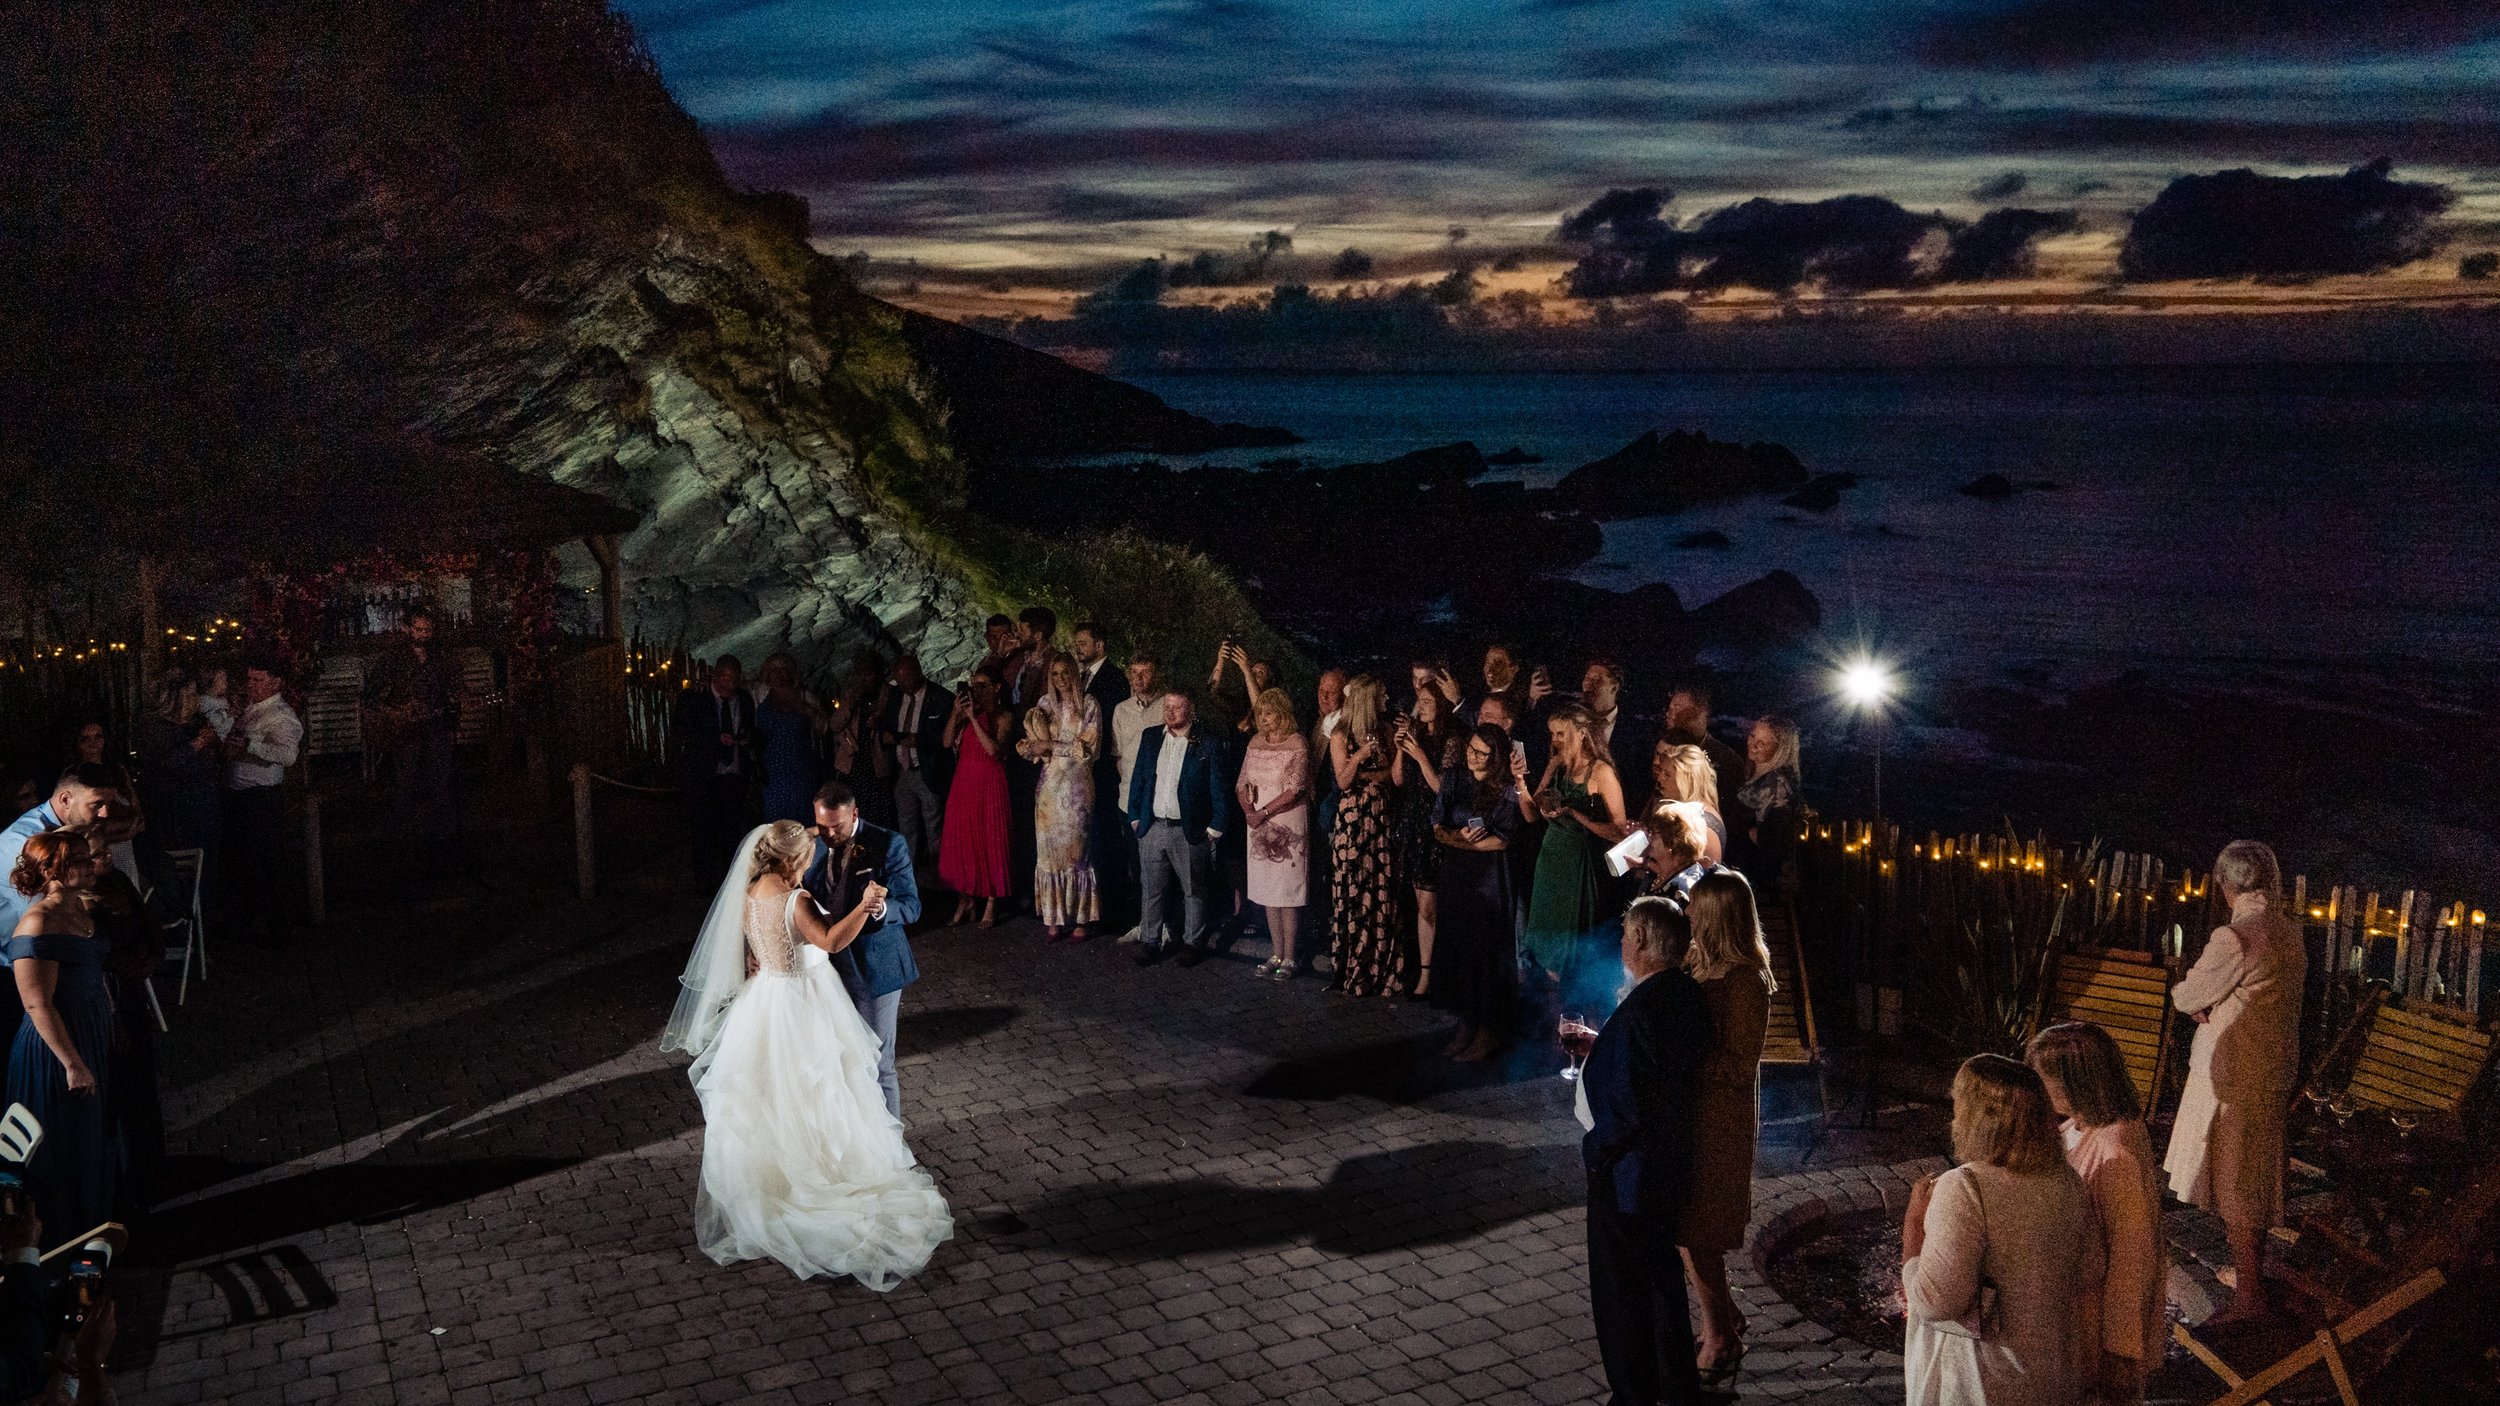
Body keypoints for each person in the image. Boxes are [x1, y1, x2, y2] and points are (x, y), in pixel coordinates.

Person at [659, 819, 953, 1286]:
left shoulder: (752, 889)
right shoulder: (795, 901)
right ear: (793, 859)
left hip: (765, 1001)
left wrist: (757, 955)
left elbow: (752, 939)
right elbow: (831, 941)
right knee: (823, 1093)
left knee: (778, 1098)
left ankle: (773, 1183)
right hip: (804, 1002)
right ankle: (817, 1185)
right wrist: (866, 904)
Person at [1577, 897, 1719, 1406]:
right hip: (1667, 1167)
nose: (1619, 945)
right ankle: (1674, 1385)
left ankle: (1634, 1392)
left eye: (1624, 936)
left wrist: (1596, 1150)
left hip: (1628, 1175)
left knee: (1622, 1290)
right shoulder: (1683, 995)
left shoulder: (1642, 1009)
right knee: (1660, 1280)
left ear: (1640, 940)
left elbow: (1633, 1105)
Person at [1903, 1053, 2098, 1406]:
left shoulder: (1965, 1187)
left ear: (1978, 1117)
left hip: (1983, 1382)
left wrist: (1914, 1226)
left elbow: (1936, 1301)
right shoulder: (2069, 1182)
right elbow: (2089, 1274)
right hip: (2050, 1376)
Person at [2164, 838, 2303, 1326]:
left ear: (2227, 882)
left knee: (2236, 1179)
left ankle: (2250, 1299)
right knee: (2253, 1172)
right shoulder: (2288, 932)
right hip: (2272, 1068)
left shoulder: (2237, 935)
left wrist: (2194, 995)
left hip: (2235, 1074)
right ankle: (2252, 1282)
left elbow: (2188, 995)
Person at [2028, 1022, 2166, 1406]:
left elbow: (2131, 1255)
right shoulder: (2080, 1126)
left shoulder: (2115, 1152)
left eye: (2042, 1080)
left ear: (2075, 1083)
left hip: (2099, 1326)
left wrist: (2119, 1350)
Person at [1678, 870, 1776, 1386]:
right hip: (1689, 1114)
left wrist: (1682, 1057)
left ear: (1717, 915)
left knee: (1701, 1230)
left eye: (1694, 907)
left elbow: (1740, 1066)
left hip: (1720, 1121)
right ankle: (1723, 1318)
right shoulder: (1698, 964)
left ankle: (1721, 1337)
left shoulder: (1745, 981)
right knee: (1688, 1230)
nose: (1687, 913)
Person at [6, 830, 114, 1251]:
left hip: (89, 1032)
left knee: (91, 1137)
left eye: (88, 858)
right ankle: (58, 1243)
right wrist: (72, 1062)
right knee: (65, 1143)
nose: (90, 866)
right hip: (55, 1049)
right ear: (51, 869)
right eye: (79, 861)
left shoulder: (80, 909)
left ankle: (91, 1230)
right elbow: (37, 1005)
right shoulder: (38, 922)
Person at [799, 782, 923, 1121]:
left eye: (835, 826)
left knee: (877, 1062)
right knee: (838, 1061)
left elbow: (912, 907)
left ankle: (891, 1147)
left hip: (876, 970)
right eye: (821, 825)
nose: (827, 834)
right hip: (828, 970)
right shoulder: (815, 844)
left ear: (854, 814)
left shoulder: (888, 844)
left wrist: (881, 909)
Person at [1519, 704, 1630, 1003]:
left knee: (1572, 944)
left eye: (1561, 733)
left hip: (1580, 864)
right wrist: (1519, 782)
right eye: (1552, 733)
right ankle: (1551, 1011)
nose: (1555, 739)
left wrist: (1574, 814)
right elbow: (1531, 815)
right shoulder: (1557, 765)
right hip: (1551, 859)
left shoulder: (1601, 772)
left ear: (1582, 734)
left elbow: (1620, 830)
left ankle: (1572, 1009)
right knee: (1547, 939)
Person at [1430, 724, 1523, 1061]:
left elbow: (1504, 838)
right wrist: (1460, 840)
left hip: (1489, 879)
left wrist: (1474, 843)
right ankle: (1465, 1024)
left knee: (1486, 950)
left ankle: (1489, 1031)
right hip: (1457, 873)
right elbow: (1438, 825)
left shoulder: (1507, 789)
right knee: (1460, 948)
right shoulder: (1455, 779)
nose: (1473, 755)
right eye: (1471, 748)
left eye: (1482, 752)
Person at [1128, 691, 1233, 968]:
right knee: (1151, 888)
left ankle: (1192, 942)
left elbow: (1218, 788)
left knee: (1193, 889)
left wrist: (1214, 829)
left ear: (1191, 709)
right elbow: (1139, 778)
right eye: (1167, 706)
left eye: (1177, 707)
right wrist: (1135, 818)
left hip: (1188, 829)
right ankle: (1150, 940)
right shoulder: (1151, 737)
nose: (1170, 712)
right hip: (1153, 825)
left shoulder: (1206, 743)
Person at [1327, 675, 1405, 998]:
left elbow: (1394, 777)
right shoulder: (1341, 734)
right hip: (1353, 823)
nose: (1387, 698)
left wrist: (1396, 750)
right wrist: (1359, 758)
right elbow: (1344, 780)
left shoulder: (1386, 731)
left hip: (1380, 820)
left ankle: (1382, 969)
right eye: (1382, 694)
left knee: (1381, 893)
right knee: (1354, 894)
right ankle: (1353, 969)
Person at [361, 604, 462, 850]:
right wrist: (394, 712)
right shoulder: (392, 658)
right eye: (419, 629)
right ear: (407, 629)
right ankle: (402, 837)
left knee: (439, 781)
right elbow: (370, 696)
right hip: (406, 730)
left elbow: (455, 691)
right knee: (405, 781)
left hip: (437, 726)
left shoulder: (442, 657)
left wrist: (455, 710)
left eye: (428, 629)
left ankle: (443, 839)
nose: (424, 634)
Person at [221, 658, 304, 946]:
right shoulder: (250, 709)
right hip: (240, 796)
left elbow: (288, 755)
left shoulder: (281, 715)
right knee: (244, 862)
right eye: (250, 679)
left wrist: (251, 746)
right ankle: (249, 923)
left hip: (260, 798)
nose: (251, 685)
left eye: (258, 680)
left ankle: (279, 928)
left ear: (275, 682)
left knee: (267, 863)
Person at [1019, 656, 1100, 942]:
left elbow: (1088, 747)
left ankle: (1080, 918)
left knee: (1077, 855)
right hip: (1049, 790)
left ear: (1075, 674)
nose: (1061, 678)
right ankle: (1054, 918)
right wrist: (1031, 748)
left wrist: (1051, 744)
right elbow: (1034, 743)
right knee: (1049, 855)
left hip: (1077, 789)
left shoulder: (1089, 704)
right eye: (1055, 673)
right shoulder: (1043, 704)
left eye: (1066, 672)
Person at [1389, 682, 1457, 999]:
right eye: (1420, 700)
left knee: (1431, 905)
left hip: (1435, 825)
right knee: (1418, 904)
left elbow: (1441, 787)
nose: (1423, 705)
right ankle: (1425, 972)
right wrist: (1402, 751)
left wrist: (1418, 755)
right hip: (1413, 824)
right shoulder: (1417, 735)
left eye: (1429, 700)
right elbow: (1398, 779)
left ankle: (1437, 972)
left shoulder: (1450, 739)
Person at [1236, 689, 1309, 981]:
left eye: (1269, 713)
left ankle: (1291, 955)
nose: (1263, 719)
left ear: (1282, 713)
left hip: (1286, 821)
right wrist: (1248, 811)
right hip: (1258, 822)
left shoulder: (1297, 743)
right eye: (1260, 714)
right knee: (1268, 890)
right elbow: (1242, 782)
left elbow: (1296, 788)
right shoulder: (1254, 742)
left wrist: (1264, 812)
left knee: (1286, 892)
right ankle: (1276, 952)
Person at [0, 769, 120, 936]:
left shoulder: (79, 831)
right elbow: (38, 921)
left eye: (110, 803)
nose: (105, 813)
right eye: (97, 804)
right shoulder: (25, 843)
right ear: (65, 799)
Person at [937, 673, 1013, 928]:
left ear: (996, 686)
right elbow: (946, 742)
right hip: (964, 783)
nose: (977, 691)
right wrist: (955, 713)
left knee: (990, 838)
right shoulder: (966, 713)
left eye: (983, 685)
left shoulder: (1004, 715)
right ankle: (966, 898)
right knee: (964, 840)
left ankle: (992, 899)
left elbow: (994, 749)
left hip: (990, 782)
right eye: (974, 686)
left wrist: (973, 719)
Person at [673, 655, 759, 874]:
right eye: (726, 678)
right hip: (704, 775)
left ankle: (728, 877)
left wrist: (747, 739)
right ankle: (704, 878)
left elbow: (751, 728)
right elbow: (683, 732)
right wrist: (714, 740)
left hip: (734, 775)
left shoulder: (744, 700)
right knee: (703, 829)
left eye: (735, 679)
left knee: (731, 830)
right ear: (716, 675)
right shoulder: (695, 698)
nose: (730, 684)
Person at [134, 668, 224, 873]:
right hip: (173, 806)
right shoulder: (155, 727)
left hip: (204, 803)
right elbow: (164, 763)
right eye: (190, 695)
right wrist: (198, 743)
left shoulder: (197, 721)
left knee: (206, 861)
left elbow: (214, 757)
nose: (195, 699)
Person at [1074, 623, 1132, 926]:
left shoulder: (1113, 678)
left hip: (1104, 768)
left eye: (1083, 643)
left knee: (1106, 834)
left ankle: (1112, 904)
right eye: (1076, 643)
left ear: (1100, 645)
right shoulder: (1079, 677)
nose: (1078, 648)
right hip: (1081, 768)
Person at [876, 657, 953, 871]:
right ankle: (909, 870)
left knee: (934, 824)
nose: (903, 685)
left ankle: (940, 871)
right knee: (906, 821)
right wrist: (888, 736)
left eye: (907, 679)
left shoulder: (940, 698)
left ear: (918, 673)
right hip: (902, 769)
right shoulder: (896, 697)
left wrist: (919, 741)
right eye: (899, 681)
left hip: (927, 768)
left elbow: (947, 736)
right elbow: (886, 723)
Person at [1109, 654, 1162, 942]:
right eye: (1135, 673)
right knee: (1137, 863)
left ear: (1157, 674)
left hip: (1159, 799)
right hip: (1129, 798)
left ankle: (1164, 924)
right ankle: (1144, 924)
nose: (1139, 679)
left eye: (1146, 672)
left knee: (1162, 866)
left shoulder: (1167, 706)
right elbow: (1118, 755)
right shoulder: (1121, 710)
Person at [752, 652, 827, 825]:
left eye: (783, 670)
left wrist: (807, 711)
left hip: (801, 771)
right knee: (776, 822)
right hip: (772, 772)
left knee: (803, 820)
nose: (779, 675)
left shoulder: (806, 697)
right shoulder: (759, 696)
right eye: (774, 671)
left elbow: (823, 728)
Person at [1731, 716, 1802, 880]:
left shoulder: (1778, 786)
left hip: (1756, 871)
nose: (1753, 745)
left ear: (1780, 749)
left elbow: (1773, 839)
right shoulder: (1747, 771)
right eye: (1753, 736)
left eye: (1763, 743)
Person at [1660, 683, 1743, 822]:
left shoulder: (1726, 760)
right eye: (1670, 707)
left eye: (1677, 707)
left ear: (1701, 713)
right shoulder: (1663, 746)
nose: (1669, 713)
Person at [1651, 743, 1727, 866]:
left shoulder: (1697, 822)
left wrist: (1646, 864)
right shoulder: (1701, 812)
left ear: (1687, 780)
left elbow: (1689, 877)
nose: (1660, 779)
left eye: (1667, 774)